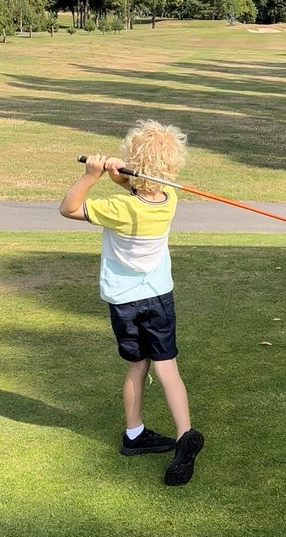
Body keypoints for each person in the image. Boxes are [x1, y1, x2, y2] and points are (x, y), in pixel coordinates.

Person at [59, 119, 204, 486]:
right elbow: (141, 188)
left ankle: (134, 433)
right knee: (167, 367)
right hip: (158, 297)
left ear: (133, 163)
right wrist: (123, 177)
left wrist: (91, 175)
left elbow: (69, 208)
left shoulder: (117, 209)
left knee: (137, 366)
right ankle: (185, 433)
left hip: (124, 302)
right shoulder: (170, 199)